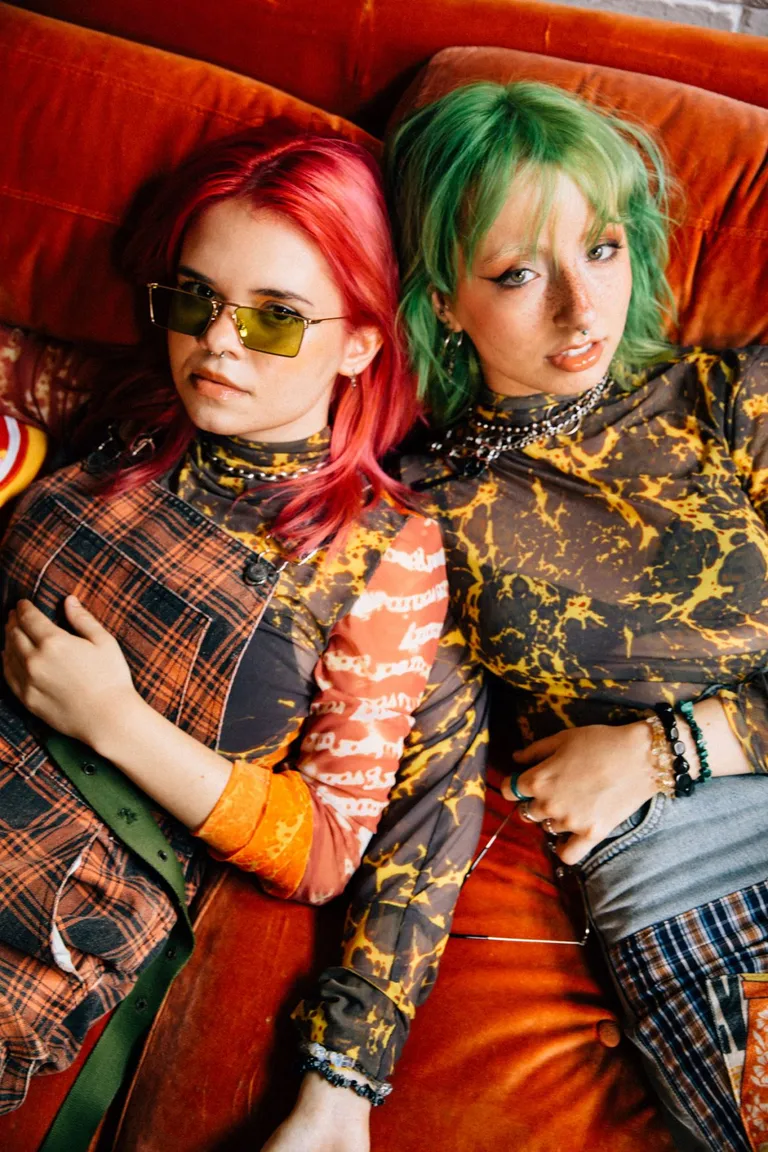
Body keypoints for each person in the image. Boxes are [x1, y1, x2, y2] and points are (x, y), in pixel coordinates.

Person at [0, 129, 487, 1143]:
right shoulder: (131, 406)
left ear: (359, 343)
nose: (217, 342)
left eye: (274, 317)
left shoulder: (386, 556)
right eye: (194, 299)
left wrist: (116, 722)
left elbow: (327, 846)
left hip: (39, 894)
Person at [381, 79, 768, 1152]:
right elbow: (423, 789)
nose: (582, 309)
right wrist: (341, 1076)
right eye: (518, 273)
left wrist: (669, 748)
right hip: (695, 901)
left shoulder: (731, 402)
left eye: (602, 249)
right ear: (441, 300)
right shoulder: (422, 510)